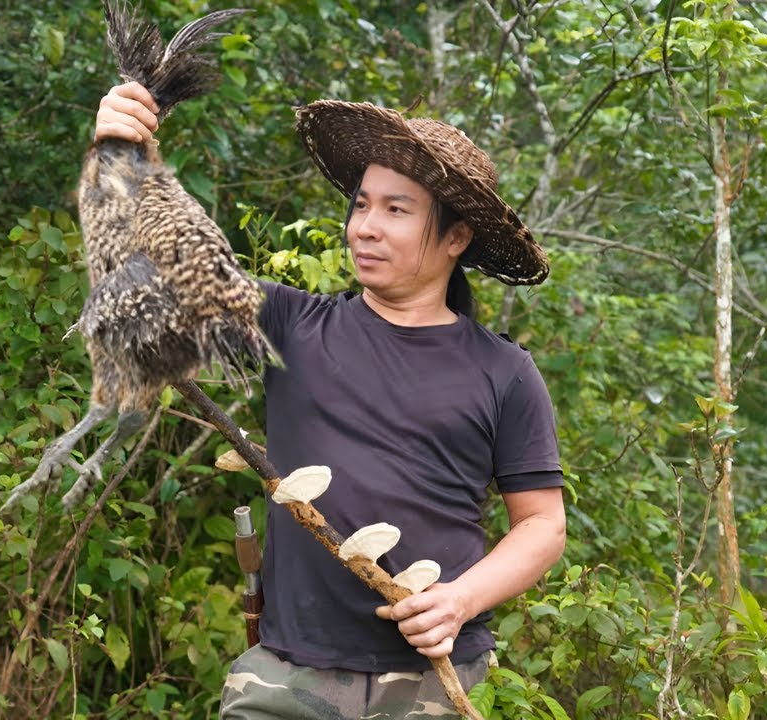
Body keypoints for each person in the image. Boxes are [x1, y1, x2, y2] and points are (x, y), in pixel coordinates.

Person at [94, 82, 567, 719]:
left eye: (396, 210)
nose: (365, 227)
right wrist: (119, 157)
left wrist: (461, 600)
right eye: (361, 205)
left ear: (456, 237)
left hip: (435, 678)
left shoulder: (503, 371)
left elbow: (542, 525)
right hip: (288, 673)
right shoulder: (289, 324)